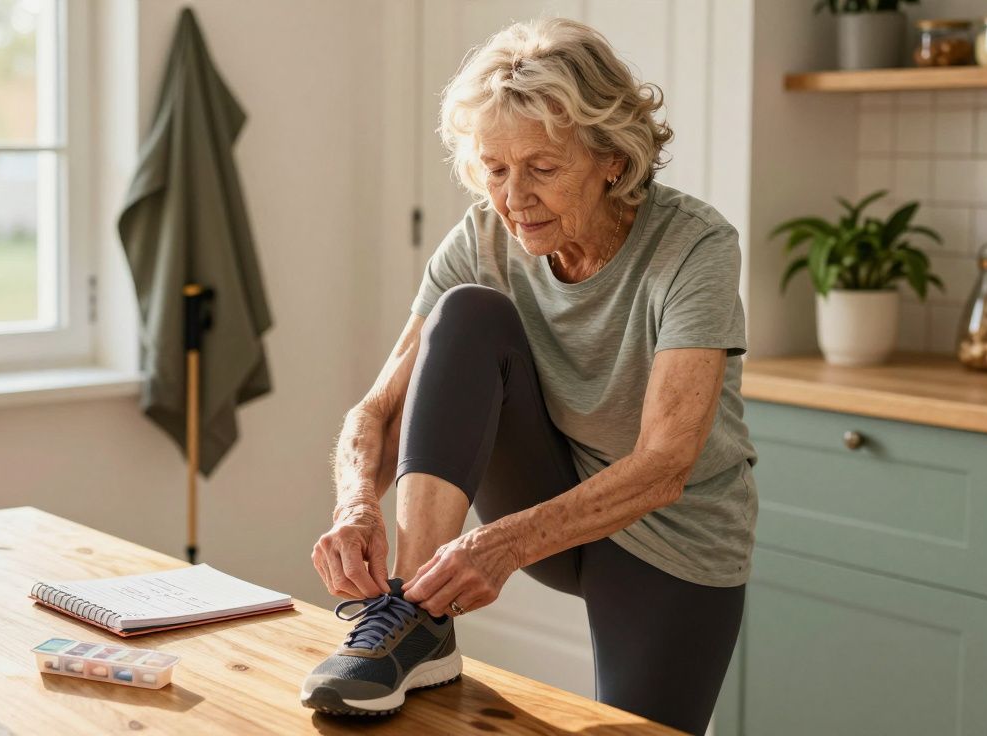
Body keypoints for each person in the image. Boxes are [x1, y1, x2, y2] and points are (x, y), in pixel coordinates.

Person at [300, 17, 756, 735]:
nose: (513, 198)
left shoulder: (694, 247)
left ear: (612, 157)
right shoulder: (484, 236)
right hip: (548, 481)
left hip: (669, 530)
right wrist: (354, 503)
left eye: (542, 168)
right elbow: (380, 409)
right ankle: (416, 620)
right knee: (467, 315)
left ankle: (423, 608)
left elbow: (667, 465)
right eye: (495, 168)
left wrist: (501, 545)